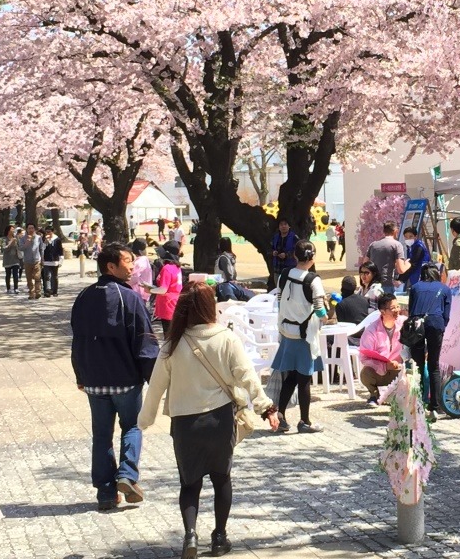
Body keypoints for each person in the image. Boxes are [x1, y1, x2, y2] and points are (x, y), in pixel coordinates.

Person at [138, 283, 279, 559]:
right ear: (209, 305)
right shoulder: (226, 338)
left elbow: (155, 387)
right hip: (219, 420)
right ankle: (219, 537)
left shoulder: (172, 343)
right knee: (221, 478)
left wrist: (144, 420)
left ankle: (190, 535)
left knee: (189, 484)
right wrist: (266, 408)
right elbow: (247, 376)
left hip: (184, 425)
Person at [70, 242, 159, 511]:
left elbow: (77, 341)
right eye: (127, 261)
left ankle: (106, 494)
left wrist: (80, 374)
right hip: (125, 380)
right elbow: (145, 343)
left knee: (101, 435)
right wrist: (151, 378)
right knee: (132, 426)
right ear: (111, 266)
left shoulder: (84, 296)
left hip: (94, 381)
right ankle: (127, 475)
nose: (132, 266)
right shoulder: (128, 298)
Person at [270, 240, 326, 432]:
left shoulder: (284, 275)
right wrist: (326, 318)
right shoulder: (313, 280)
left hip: (287, 331)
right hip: (304, 335)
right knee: (303, 379)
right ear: (312, 257)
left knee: (291, 377)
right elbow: (319, 309)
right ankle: (304, 422)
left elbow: (279, 299)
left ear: (295, 255)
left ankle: (281, 415)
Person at [407, 264, 452, 420]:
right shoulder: (445, 289)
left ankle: (416, 401)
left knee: (417, 365)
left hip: (417, 324)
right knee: (434, 365)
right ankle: (435, 405)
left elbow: (411, 310)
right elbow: (446, 315)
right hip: (436, 323)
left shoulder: (415, 287)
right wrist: (441, 327)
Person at [358, 293, 405, 406]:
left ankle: (399, 395)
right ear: (382, 311)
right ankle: (374, 395)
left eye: (398, 307)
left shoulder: (404, 324)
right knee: (366, 373)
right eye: (393, 308)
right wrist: (384, 365)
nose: (397, 310)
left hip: (399, 371)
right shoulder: (371, 331)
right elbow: (364, 357)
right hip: (380, 372)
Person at [144, 241, 183, 337]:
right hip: (174, 303)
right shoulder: (176, 267)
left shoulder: (167, 268)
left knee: (168, 336)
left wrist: (150, 290)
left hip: (167, 306)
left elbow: (163, 289)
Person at [367, 221, 409, 294]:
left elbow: (365, 264)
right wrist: (408, 264)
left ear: (384, 231)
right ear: (395, 231)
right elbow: (401, 270)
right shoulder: (397, 245)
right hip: (386, 284)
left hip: (372, 284)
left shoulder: (373, 245)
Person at [214, 237, 253, 303]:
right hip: (231, 284)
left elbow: (228, 273)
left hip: (224, 286)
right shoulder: (230, 257)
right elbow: (233, 272)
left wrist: (231, 281)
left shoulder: (223, 258)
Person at [334, 276, 370, 345]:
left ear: (342, 288)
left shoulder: (340, 304)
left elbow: (342, 326)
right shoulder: (365, 300)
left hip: (351, 338)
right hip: (365, 336)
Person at [398, 227, 430, 292]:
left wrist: (401, 279)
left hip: (421, 274)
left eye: (410, 236)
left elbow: (413, 263)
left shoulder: (419, 247)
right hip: (414, 275)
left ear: (415, 236)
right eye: (406, 237)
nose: (408, 239)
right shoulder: (410, 247)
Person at [18, 223, 43, 300]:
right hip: (27, 261)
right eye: (29, 228)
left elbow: (41, 249)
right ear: (27, 229)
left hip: (36, 260)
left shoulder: (39, 238)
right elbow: (21, 248)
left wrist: (42, 258)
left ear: (34, 229)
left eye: (32, 228)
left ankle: (38, 292)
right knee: (29, 279)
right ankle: (31, 293)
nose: (31, 230)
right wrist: (27, 242)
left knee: (37, 277)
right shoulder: (22, 238)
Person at [129, 239, 154, 310]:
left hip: (139, 295)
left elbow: (132, 278)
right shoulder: (143, 260)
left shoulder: (139, 262)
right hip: (142, 294)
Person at [41, 227, 64, 297]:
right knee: (46, 276)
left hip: (55, 261)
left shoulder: (57, 240)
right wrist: (45, 242)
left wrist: (61, 260)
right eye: (46, 232)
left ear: (52, 232)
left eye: (49, 232)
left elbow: (60, 250)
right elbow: (42, 249)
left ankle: (54, 291)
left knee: (54, 277)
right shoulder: (44, 239)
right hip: (46, 261)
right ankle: (47, 290)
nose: (48, 233)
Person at [2, 227, 22, 295]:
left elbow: (20, 247)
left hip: (15, 259)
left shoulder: (16, 238)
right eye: (12, 229)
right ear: (8, 231)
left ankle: (16, 288)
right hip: (7, 260)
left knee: (15, 274)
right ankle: (8, 288)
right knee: (8, 275)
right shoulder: (4, 239)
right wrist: (11, 242)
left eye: (14, 229)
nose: (13, 230)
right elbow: (4, 249)